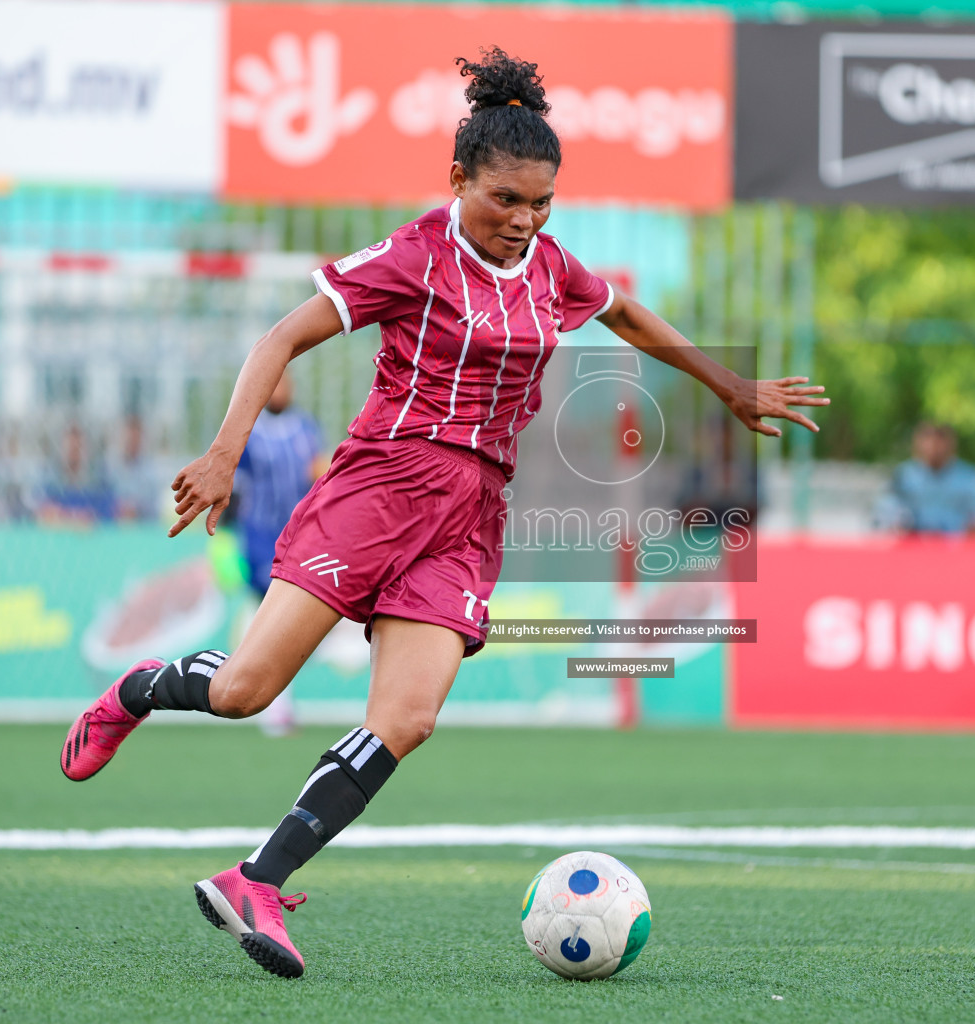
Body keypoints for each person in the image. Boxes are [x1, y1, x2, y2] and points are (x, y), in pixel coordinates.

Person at [57, 49, 827, 979]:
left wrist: (731, 385)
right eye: (507, 199)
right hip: (379, 488)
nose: (525, 220)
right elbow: (283, 335)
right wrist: (225, 451)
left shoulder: (549, 266)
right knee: (244, 692)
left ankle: (258, 879)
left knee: (408, 717)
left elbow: (624, 315)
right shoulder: (415, 255)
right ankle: (141, 690)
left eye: (542, 203)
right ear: (458, 178)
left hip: (471, 512)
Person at [232, 370, 326, 736]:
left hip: (298, 534)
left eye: (287, 382)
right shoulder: (249, 429)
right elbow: (236, 483)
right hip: (259, 536)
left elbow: (318, 471)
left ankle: (270, 694)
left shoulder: (304, 427)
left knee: (292, 616)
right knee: (267, 612)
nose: (281, 389)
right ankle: (270, 702)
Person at [883, 421, 975, 535]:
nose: (934, 443)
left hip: (955, 548)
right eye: (927, 436)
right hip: (913, 547)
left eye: (941, 436)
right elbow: (890, 512)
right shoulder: (904, 475)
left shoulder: (969, 476)